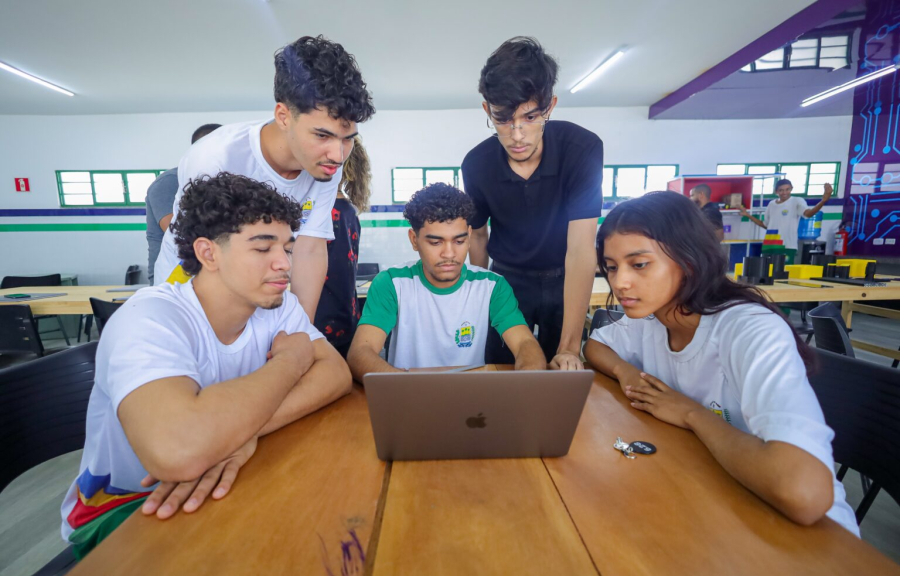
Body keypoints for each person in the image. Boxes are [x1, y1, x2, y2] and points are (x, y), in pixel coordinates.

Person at [61, 173, 352, 558]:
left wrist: (241, 434)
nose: (284, 264)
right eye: (263, 248)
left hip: (222, 479)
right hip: (127, 507)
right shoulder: (150, 318)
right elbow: (179, 451)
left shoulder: (276, 305)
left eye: (288, 247)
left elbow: (336, 375)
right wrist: (290, 360)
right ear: (208, 253)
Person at [583, 191, 858, 536]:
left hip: (809, 543)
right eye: (611, 267)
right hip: (712, 502)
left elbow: (803, 492)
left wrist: (690, 413)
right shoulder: (652, 320)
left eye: (639, 265)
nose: (620, 282)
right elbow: (596, 346)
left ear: (689, 259)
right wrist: (626, 373)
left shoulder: (749, 330)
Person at [154, 35, 375, 318]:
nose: (338, 154)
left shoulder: (327, 162)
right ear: (284, 116)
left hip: (263, 288)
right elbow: (207, 257)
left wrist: (298, 329)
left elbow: (309, 248)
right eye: (322, 135)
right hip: (192, 289)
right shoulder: (215, 157)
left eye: (348, 139)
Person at [462, 37, 604, 371]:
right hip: (508, 279)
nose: (517, 134)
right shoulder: (476, 164)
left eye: (530, 117)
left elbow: (581, 248)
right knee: (500, 370)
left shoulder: (581, 150)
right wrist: (481, 304)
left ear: (550, 107)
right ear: (487, 109)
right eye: (502, 119)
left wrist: (570, 347)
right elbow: (478, 237)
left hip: (565, 276)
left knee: (562, 369)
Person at [347, 183, 546, 379]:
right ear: (414, 240)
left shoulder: (492, 286)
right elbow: (360, 353)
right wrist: (407, 389)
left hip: (469, 402)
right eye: (435, 242)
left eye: (459, 241)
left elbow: (525, 344)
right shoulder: (391, 283)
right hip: (406, 398)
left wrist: (529, 378)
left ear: (469, 236)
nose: (449, 253)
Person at [313, 140, 370, 358]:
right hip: (340, 314)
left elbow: (335, 274)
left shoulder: (332, 211)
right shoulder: (344, 210)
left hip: (328, 319)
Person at [146, 124, 221, 284]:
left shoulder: (216, 183)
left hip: (207, 278)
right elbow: (180, 234)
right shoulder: (169, 182)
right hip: (174, 278)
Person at [739, 180, 833, 263]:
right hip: (769, 246)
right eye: (781, 190)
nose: (785, 192)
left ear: (791, 189)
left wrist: (823, 201)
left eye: (787, 189)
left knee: (781, 275)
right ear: (776, 191)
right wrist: (747, 215)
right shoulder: (771, 204)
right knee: (766, 274)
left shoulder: (797, 201)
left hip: (787, 246)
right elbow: (765, 225)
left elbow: (808, 214)